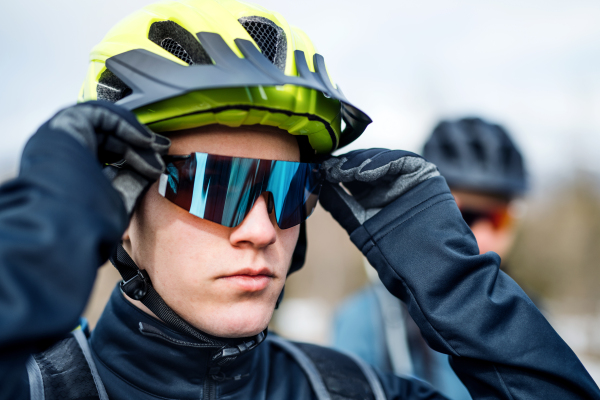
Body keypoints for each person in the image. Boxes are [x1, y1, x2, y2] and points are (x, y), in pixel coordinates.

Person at [0, 1, 599, 399]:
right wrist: (33, 254)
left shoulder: (351, 390)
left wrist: (454, 280)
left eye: (288, 191)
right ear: (120, 206)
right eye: (216, 185)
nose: (261, 229)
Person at [332, 118, 532, 399]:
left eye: (499, 218)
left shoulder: (530, 317)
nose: (484, 236)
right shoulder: (366, 321)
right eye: (467, 216)